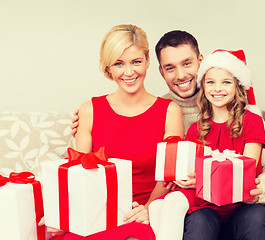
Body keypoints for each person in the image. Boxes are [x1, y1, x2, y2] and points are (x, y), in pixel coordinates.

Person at [72, 30, 265, 240]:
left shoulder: (245, 114)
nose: (181, 75)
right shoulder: (166, 110)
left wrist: (257, 190)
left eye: (187, 63)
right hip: (200, 209)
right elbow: (87, 160)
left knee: (253, 220)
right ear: (160, 71)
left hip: (243, 206)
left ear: (201, 62)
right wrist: (78, 132)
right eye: (170, 68)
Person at [43, 24, 184, 240]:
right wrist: (65, 218)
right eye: (119, 64)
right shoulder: (89, 110)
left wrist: (147, 209)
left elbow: (168, 178)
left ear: (147, 62)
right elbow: (79, 177)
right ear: (109, 68)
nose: (129, 72)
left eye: (136, 62)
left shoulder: (169, 112)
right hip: (95, 216)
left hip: (141, 215)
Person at [149, 49, 265, 240]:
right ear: (203, 86)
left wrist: (204, 181)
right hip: (206, 207)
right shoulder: (196, 129)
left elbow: (244, 171)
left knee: (257, 218)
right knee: (198, 222)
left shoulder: (253, 122)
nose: (217, 89)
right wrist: (179, 178)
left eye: (226, 82)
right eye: (210, 82)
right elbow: (192, 173)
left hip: (242, 205)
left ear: (238, 86)